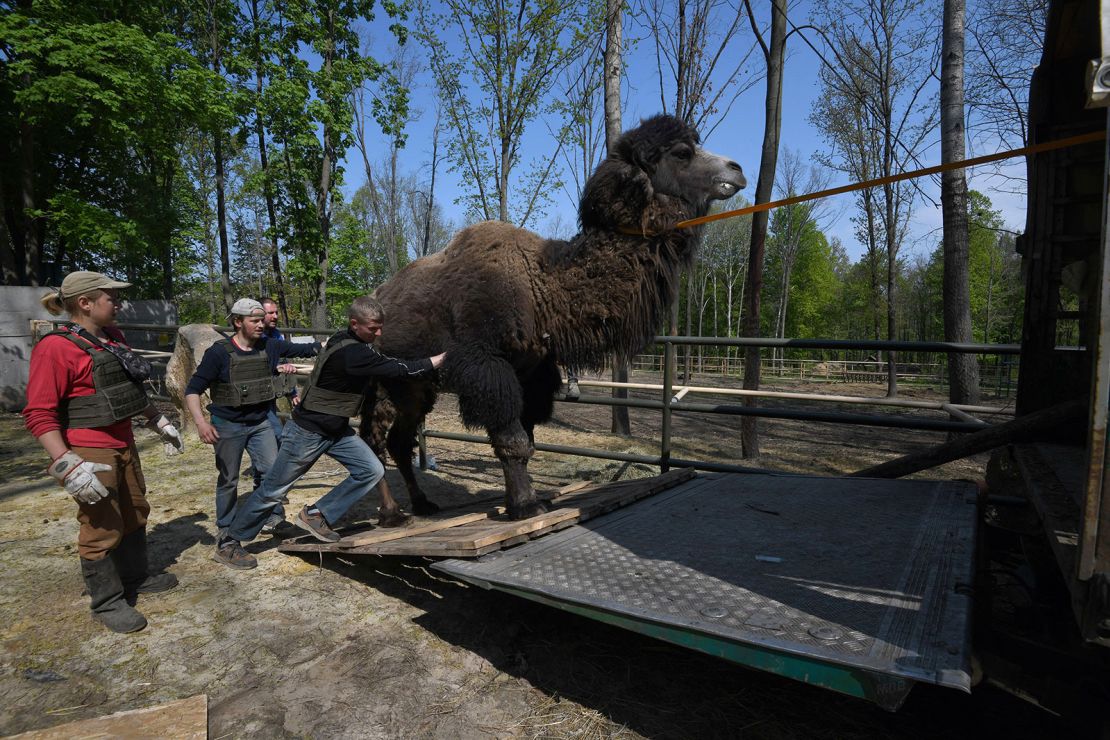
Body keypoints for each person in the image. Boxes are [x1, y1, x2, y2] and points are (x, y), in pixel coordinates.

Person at [219, 296, 445, 568]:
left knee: (371, 470)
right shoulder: (353, 354)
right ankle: (230, 542)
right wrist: (438, 360)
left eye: (380, 327)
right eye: (373, 328)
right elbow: (400, 369)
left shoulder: (346, 339)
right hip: (308, 432)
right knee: (273, 489)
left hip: (335, 429)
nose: (379, 333)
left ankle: (316, 514)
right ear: (354, 324)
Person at [24, 271, 185, 633]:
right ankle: (107, 601)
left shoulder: (112, 338)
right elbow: (38, 413)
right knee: (101, 524)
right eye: (111, 297)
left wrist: (158, 420)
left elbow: (128, 388)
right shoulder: (55, 348)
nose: (119, 303)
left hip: (124, 440)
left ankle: (135, 578)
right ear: (85, 303)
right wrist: (68, 465)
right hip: (89, 449)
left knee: (135, 510)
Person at [183, 298, 321, 568]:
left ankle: (274, 519)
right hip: (227, 425)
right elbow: (192, 390)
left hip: (260, 423)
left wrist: (336, 342)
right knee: (229, 480)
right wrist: (201, 423)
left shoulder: (270, 345)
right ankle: (225, 533)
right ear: (238, 322)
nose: (262, 324)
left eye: (262, 319)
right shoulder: (219, 353)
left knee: (273, 473)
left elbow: (304, 350)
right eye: (255, 321)